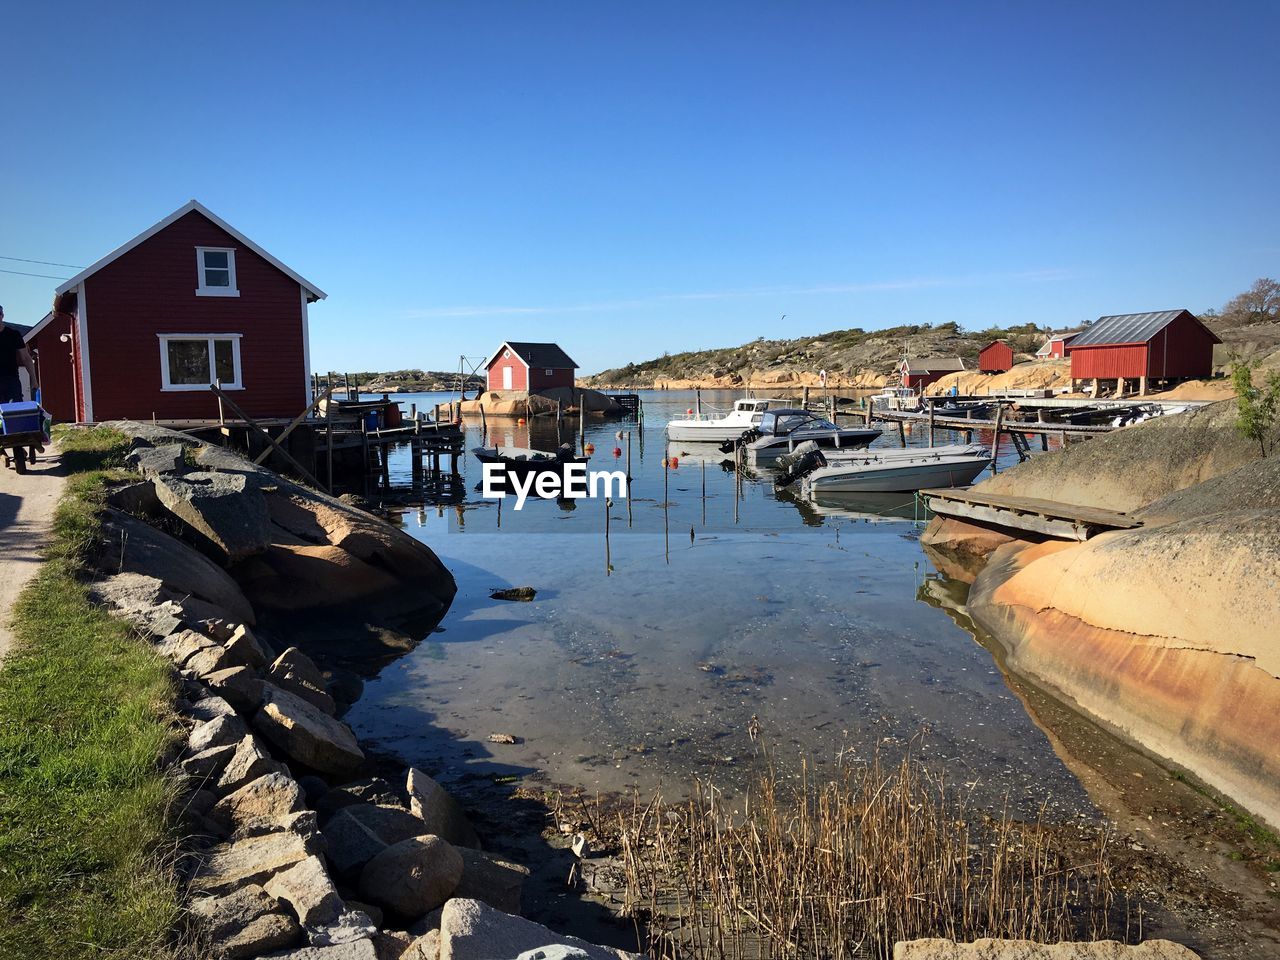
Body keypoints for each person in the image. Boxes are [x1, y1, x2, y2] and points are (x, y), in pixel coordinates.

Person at [0, 305, 39, 403]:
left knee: (15, 410)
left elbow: (26, 357)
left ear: (2, 315)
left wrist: (34, 380)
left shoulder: (13, 334)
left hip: (11, 379)